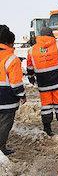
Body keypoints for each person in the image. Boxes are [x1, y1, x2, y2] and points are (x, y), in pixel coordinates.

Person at [0, 25, 26, 155]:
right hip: (6, 100)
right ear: (9, 43)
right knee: (5, 124)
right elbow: (16, 83)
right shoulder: (12, 59)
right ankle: (1, 148)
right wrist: (22, 95)